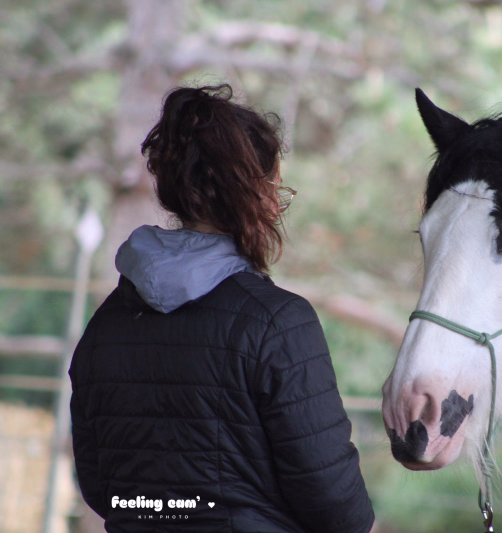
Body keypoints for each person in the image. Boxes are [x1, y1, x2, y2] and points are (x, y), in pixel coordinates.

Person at [69, 84, 375, 533]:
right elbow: (337, 507)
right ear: (255, 195)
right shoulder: (277, 323)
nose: (278, 208)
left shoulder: (105, 325)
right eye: (277, 190)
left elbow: (99, 488)